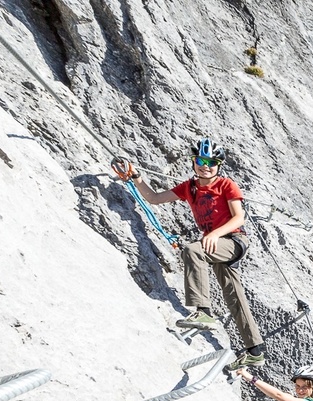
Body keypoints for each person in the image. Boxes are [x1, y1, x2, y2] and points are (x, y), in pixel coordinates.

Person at [111, 138, 265, 371]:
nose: (206, 166)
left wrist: (215, 234)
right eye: (201, 161)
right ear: (194, 162)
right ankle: (255, 351)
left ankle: (203, 312)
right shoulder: (190, 188)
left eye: (211, 162)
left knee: (193, 250)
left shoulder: (226, 185)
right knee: (233, 294)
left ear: (219, 165)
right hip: (216, 245)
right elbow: (154, 198)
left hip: (233, 240)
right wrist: (136, 177)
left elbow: (239, 217)